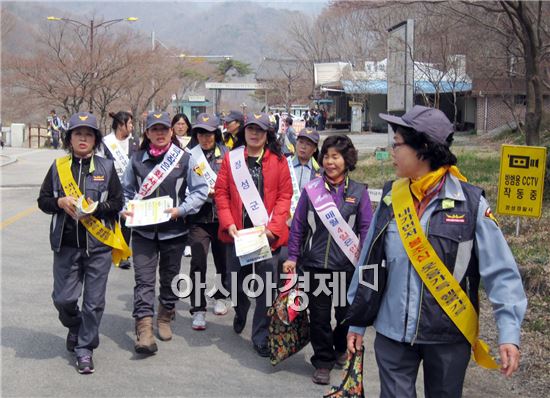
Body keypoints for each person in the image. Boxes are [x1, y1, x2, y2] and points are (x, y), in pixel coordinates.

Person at [346, 106, 527, 398]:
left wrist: (509, 334)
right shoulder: (392, 197)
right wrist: (356, 319)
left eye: (398, 144)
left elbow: (502, 273)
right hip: (393, 334)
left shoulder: (470, 205)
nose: (392, 151)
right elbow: (369, 261)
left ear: (424, 148)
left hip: (447, 336)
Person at [37, 112, 126, 374]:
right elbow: (42, 201)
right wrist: (59, 203)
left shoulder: (106, 168)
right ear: (70, 138)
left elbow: (118, 202)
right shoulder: (58, 167)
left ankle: (85, 348)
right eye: (78, 134)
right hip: (65, 246)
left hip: (98, 246)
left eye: (88, 134)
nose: (83, 138)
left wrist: (96, 209)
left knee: (94, 302)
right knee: (63, 299)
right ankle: (75, 326)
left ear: (95, 139)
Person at [282, 135, 373, 385]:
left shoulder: (359, 192)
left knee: (345, 315)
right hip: (315, 265)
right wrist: (292, 256)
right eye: (327, 156)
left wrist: (363, 262)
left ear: (347, 159)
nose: (330, 162)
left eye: (336, 156)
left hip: (346, 267)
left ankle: (339, 348)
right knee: (319, 317)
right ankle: (323, 361)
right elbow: (298, 225)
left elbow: (366, 228)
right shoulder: (312, 190)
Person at [121, 111, 209, 354]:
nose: (159, 133)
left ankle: (165, 315)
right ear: (147, 133)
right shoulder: (136, 159)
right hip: (143, 232)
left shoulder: (185, 158)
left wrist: (181, 210)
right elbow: (125, 190)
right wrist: (125, 209)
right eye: (154, 129)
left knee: (170, 277)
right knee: (144, 280)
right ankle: (144, 329)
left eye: (164, 129)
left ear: (171, 131)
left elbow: (200, 190)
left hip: (174, 231)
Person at [215, 112, 292, 357]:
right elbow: (221, 194)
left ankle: (260, 335)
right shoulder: (232, 159)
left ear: (268, 133)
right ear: (243, 131)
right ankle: (240, 310)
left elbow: (284, 197)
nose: (255, 133)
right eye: (250, 128)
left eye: (260, 129)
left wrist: (274, 228)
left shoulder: (278, 161)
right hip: (238, 236)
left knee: (266, 288)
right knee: (236, 284)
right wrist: (228, 223)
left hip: (266, 237)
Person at [186, 113, 229, 330]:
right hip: (199, 218)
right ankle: (198, 309)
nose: (205, 138)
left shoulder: (228, 155)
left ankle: (221, 296)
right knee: (198, 263)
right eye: (201, 133)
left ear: (216, 134)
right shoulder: (190, 156)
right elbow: (183, 186)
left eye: (209, 133)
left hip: (222, 218)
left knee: (223, 262)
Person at [98, 111, 139, 269]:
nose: (131, 126)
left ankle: (123, 253)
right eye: (129, 123)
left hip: (129, 188)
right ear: (121, 125)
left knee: (126, 220)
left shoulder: (134, 142)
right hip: (110, 186)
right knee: (111, 219)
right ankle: (109, 249)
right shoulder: (106, 142)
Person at [170, 113, 194, 257]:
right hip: (175, 179)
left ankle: (188, 243)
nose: (180, 127)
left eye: (183, 124)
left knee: (189, 210)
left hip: (190, 178)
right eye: (177, 124)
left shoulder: (194, 142)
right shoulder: (169, 142)